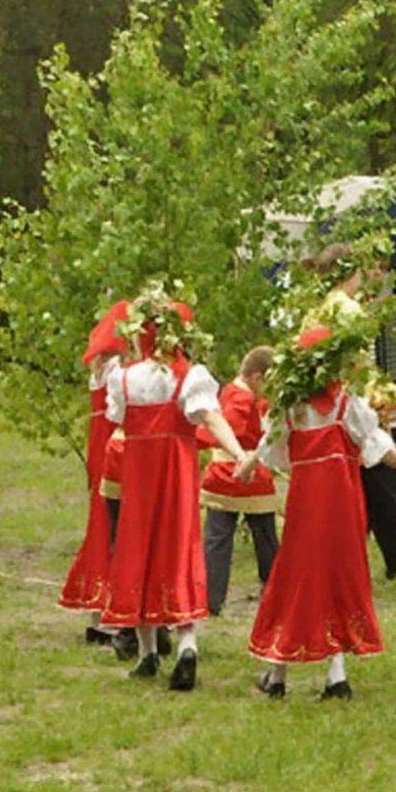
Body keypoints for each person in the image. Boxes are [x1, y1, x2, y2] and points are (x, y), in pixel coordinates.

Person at [243, 327, 396, 699]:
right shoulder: (346, 405)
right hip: (343, 504)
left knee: (296, 576)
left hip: (306, 506)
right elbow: (381, 450)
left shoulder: (289, 409)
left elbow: (272, 451)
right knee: (337, 575)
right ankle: (334, 676)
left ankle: (279, 672)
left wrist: (249, 463)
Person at [99, 287, 252, 691]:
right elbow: (212, 418)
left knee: (139, 550)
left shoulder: (125, 377)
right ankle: (186, 644)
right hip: (176, 476)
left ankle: (148, 652)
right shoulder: (188, 376)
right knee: (178, 549)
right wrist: (239, 454)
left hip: (139, 476)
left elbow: (116, 416)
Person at [305, 244, 396, 580]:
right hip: (354, 403)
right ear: (351, 272)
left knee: (367, 483)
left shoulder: (316, 310)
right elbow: (361, 368)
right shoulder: (349, 310)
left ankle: (393, 557)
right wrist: (394, 393)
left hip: (327, 405)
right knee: (380, 476)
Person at [59, 299, 134, 643]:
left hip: (99, 448)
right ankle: (109, 613)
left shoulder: (101, 368)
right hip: (114, 449)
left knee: (101, 525)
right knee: (114, 526)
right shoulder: (119, 369)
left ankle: (99, 612)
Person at [199, 346, 279, 616]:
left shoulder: (228, 392)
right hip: (245, 468)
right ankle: (275, 589)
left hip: (220, 472)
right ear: (257, 377)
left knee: (217, 538)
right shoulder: (243, 400)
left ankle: (211, 597)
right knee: (265, 535)